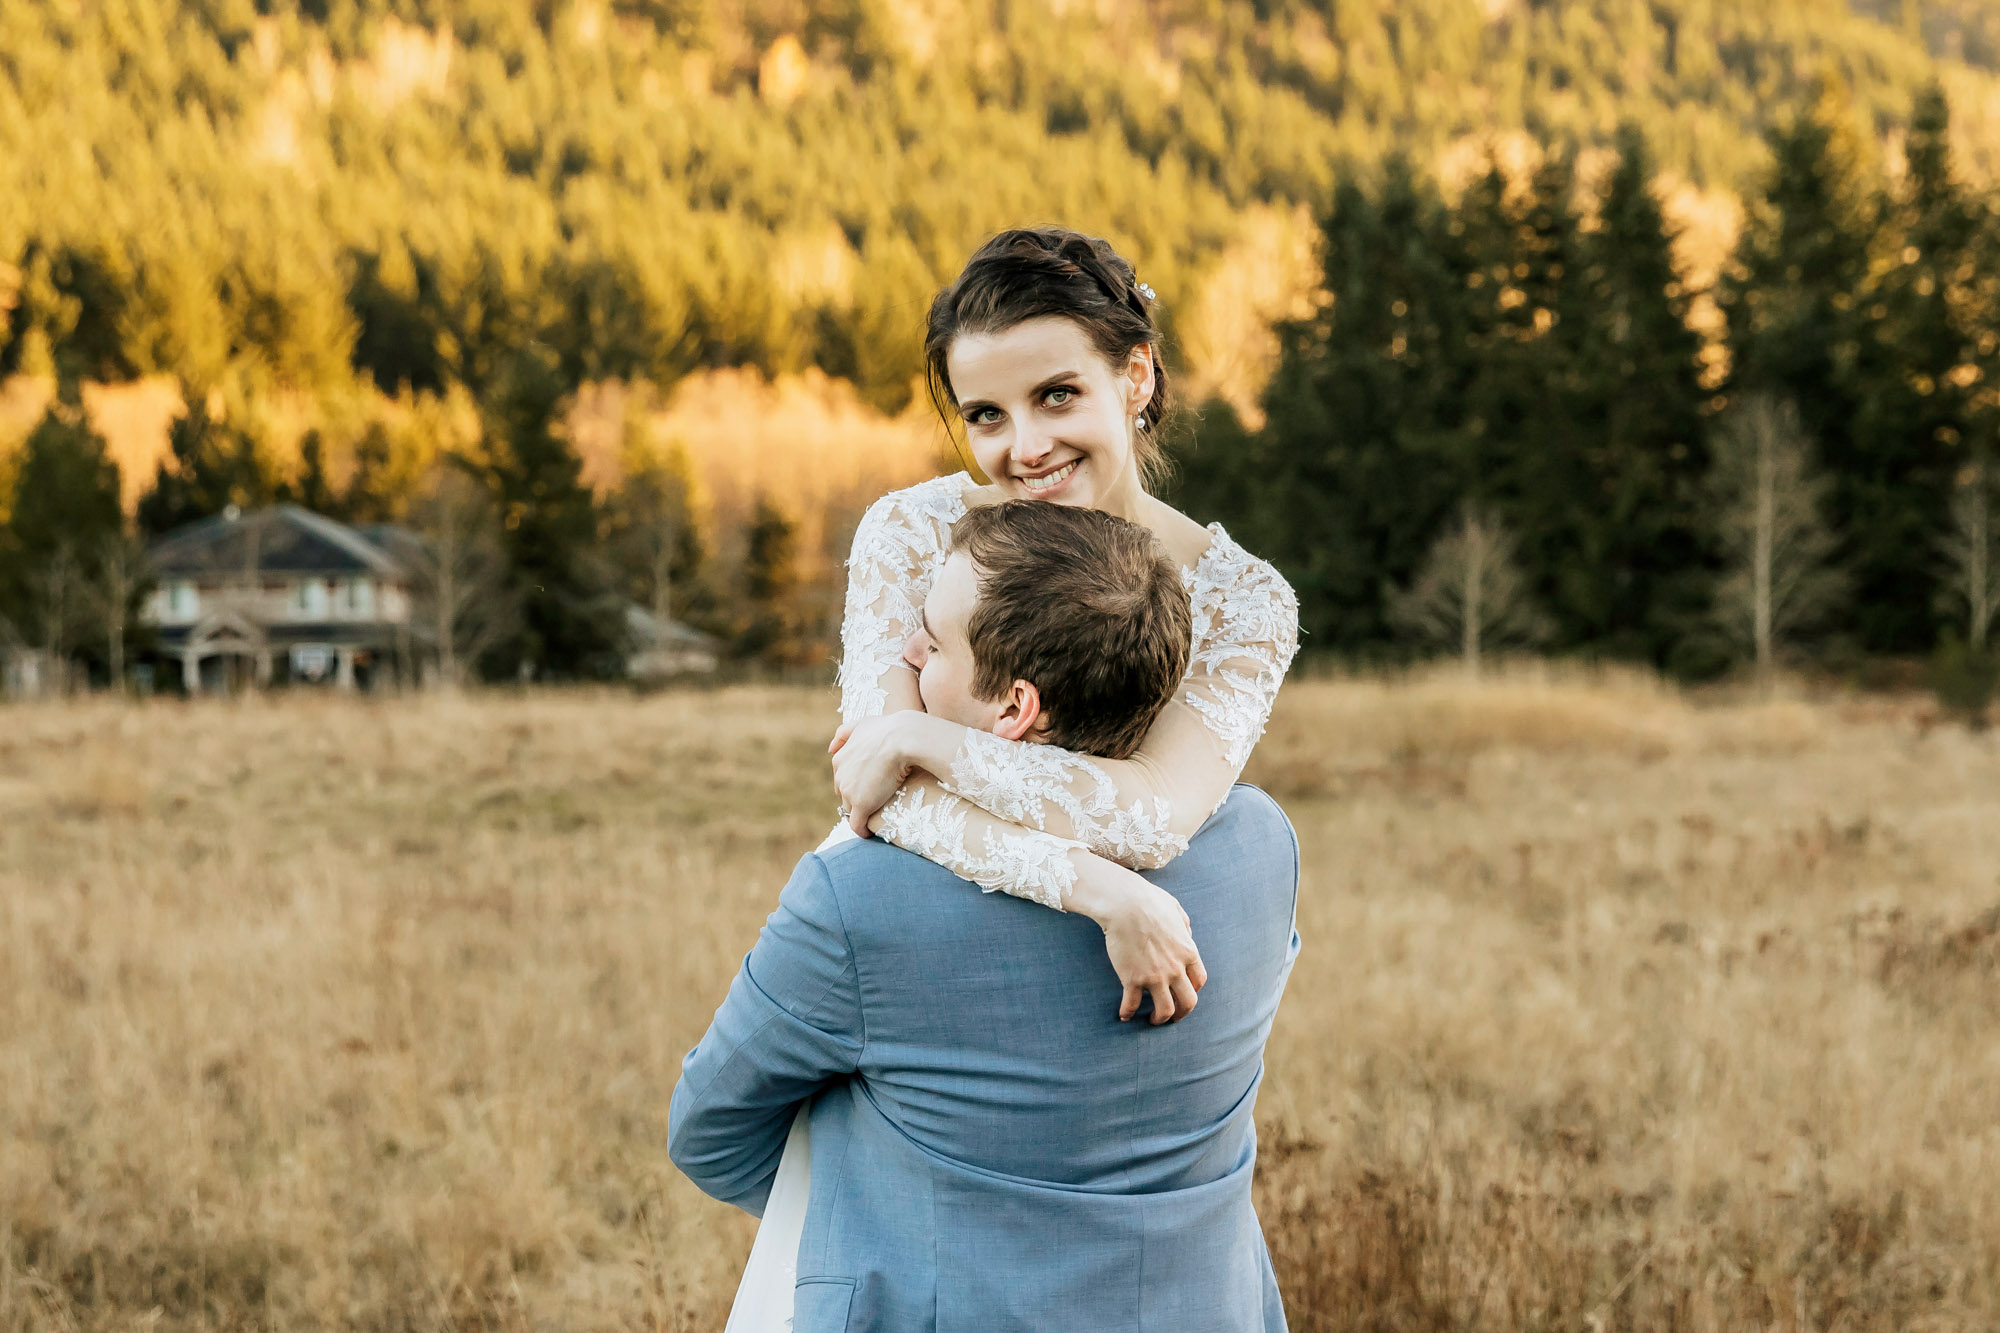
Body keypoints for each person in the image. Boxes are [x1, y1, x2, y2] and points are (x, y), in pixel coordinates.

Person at [669, 497, 1302, 1330]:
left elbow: (709, 1130)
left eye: (932, 641)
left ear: (1012, 709)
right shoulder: (1260, 845)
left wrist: (882, 1209)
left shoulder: (860, 898)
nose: (906, 649)